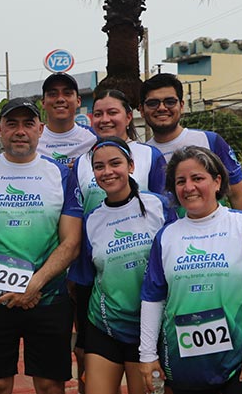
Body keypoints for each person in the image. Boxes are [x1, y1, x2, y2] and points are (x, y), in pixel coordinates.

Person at [0, 97, 82, 394]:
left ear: (40, 129)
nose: (20, 131)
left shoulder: (61, 175)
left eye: (28, 124)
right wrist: (8, 285)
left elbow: (71, 242)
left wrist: (33, 285)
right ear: (0, 129)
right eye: (12, 124)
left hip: (48, 295)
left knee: (51, 385)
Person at [140, 146, 242, 394]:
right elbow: (152, 299)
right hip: (185, 366)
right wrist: (147, 355)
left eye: (197, 178)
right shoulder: (166, 237)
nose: (188, 187)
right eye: (181, 181)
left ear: (217, 181)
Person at [71, 137, 175, 394]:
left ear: (131, 165)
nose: (107, 172)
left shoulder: (159, 206)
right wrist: (82, 338)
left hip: (152, 329)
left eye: (115, 163)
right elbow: (83, 283)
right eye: (99, 167)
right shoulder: (91, 220)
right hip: (105, 325)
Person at [139, 73, 242, 212]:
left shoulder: (210, 141)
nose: (162, 108)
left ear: (181, 106)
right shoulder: (141, 155)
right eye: (153, 103)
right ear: (142, 111)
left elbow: (237, 195)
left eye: (170, 102)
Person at [73, 89, 166, 215]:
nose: (105, 120)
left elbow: (165, 205)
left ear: (128, 117)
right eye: (98, 114)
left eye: (112, 113)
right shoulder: (81, 162)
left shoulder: (150, 155)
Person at [37, 73, 96, 168]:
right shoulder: (32, 140)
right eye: (52, 94)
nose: (60, 99)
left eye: (67, 93)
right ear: (43, 103)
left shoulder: (93, 139)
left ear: (78, 101)